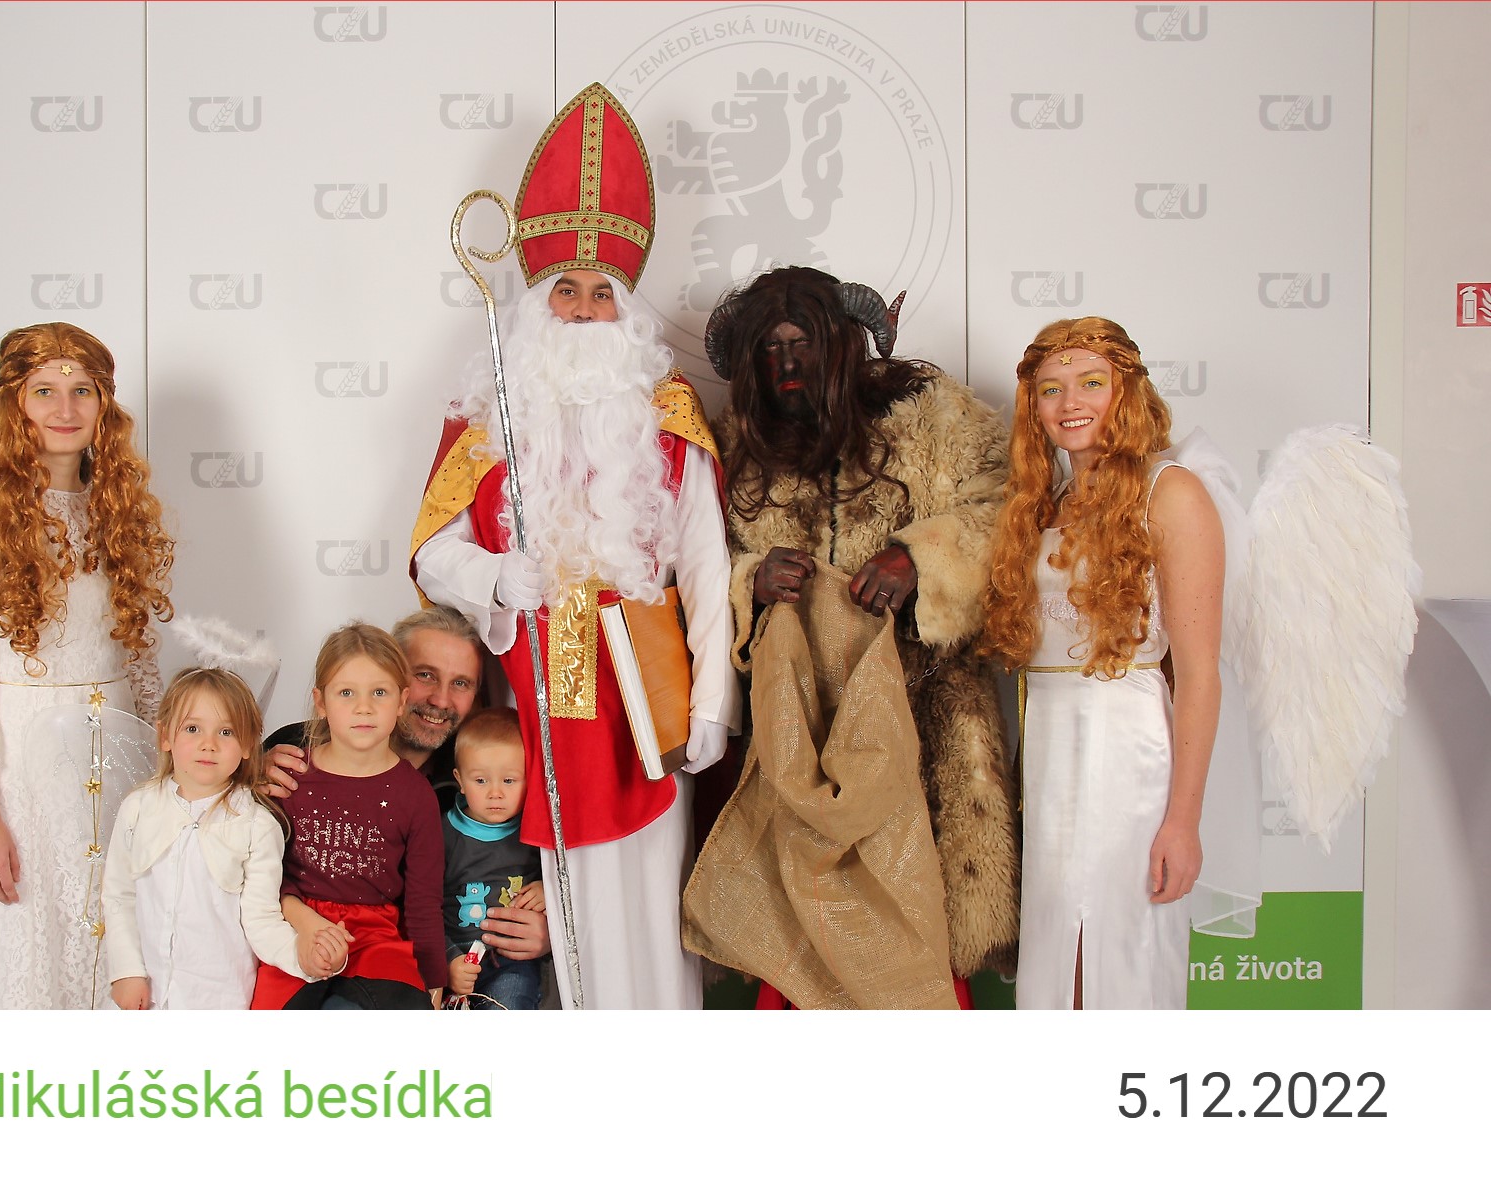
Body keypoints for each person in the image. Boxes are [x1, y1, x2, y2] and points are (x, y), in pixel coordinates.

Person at [410, 83, 739, 1009]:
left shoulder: (668, 414)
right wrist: (498, 576)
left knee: (653, 893)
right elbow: (432, 551)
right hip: (538, 685)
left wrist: (713, 703)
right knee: (549, 894)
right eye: (567, 291)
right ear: (537, 303)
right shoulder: (487, 415)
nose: (587, 311)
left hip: (648, 683)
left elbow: (707, 565)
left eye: (604, 294)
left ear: (626, 311)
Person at [683, 266, 1018, 1009]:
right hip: (800, 727)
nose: (786, 363)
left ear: (840, 342)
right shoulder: (738, 444)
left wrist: (920, 560)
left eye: (801, 342)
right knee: (805, 935)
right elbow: (696, 559)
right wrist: (751, 582)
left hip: (926, 717)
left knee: (918, 931)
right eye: (768, 348)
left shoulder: (933, 415)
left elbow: (1005, 511)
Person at [0, 322, 173, 1009]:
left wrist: (165, 769)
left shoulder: (116, 503)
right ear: (13, 403)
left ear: (104, 404)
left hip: (114, 758)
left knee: (116, 948)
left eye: (82, 390)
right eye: (45, 391)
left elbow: (138, 656)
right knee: (26, 951)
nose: (65, 408)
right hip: (18, 772)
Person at [980, 317, 1222, 1010]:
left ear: (1127, 392)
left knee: (1120, 952)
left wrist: (1182, 822)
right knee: (1058, 953)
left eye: (1091, 382)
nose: (1070, 403)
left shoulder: (1171, 492)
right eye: (1051, 389)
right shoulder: (1042, 504)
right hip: (1050, 753)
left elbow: (1200, 676)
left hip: (1129, 751)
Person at [260, 606, 551, 964]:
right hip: (299, 952)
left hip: (409, 964)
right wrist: (245, 778)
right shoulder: (292, 750)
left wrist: (548, 924)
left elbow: (528, 869)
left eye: (461, 683)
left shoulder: (473, 785)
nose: (440, 700)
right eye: (425, 675)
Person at [250, 623, 447, 1010]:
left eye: (379, 692)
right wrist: (302, 921)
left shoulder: (415, 794)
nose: (364, 707)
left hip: (376, 938)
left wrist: (434, 979)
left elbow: (424, 900)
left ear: (402, 700)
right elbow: (261, 871)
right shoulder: (289, 776)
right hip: (295, 928)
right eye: (346, 693)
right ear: (321, 702)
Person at [102, 667, 310, 1009]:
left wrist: (303, 957)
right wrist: (126, 972)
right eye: (192, 728)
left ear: (248, 744)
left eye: (226, 732)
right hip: (142, 995)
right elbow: (119, 896)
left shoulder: (257, 826)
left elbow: (261, 918)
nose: (208, 744)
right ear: (165, 736)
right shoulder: (138, 808)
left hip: (217, 998)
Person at [440, 708, 546, 1009]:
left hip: (511, 961)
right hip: (455, 956)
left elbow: (568, 885)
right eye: (481, 780)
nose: (495, 793)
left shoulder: (536, 833)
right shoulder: (441, 834)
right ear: (460, 780)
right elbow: (422, 908)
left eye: (509, 780)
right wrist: (447, 959)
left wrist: (546, 890)